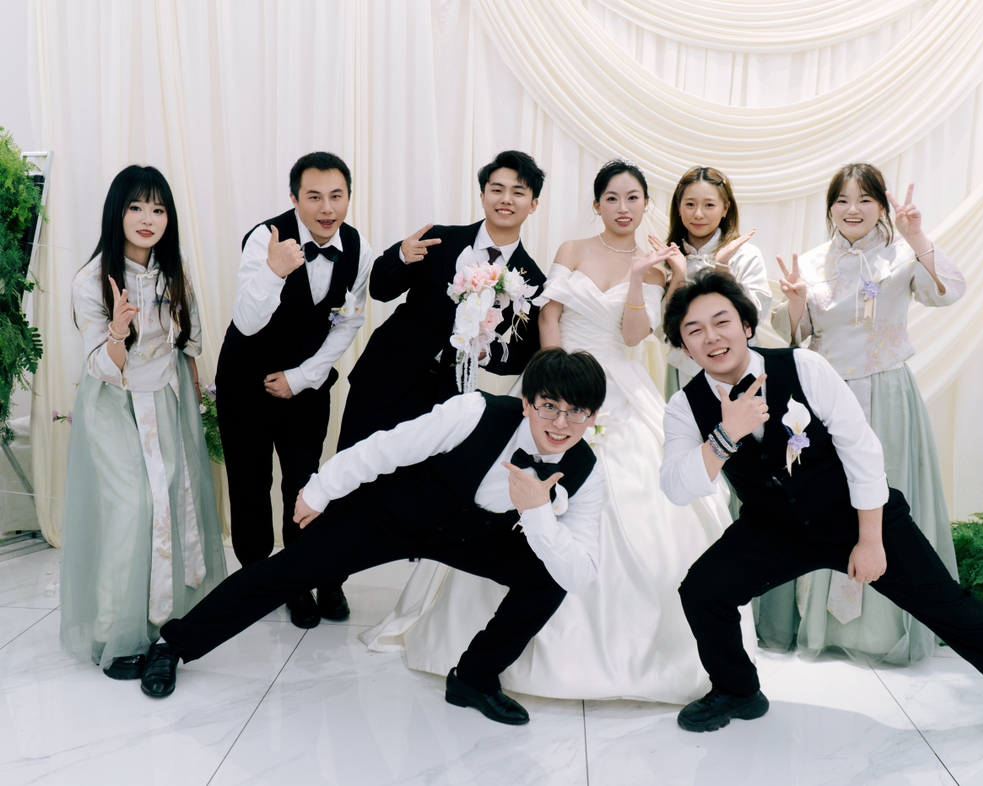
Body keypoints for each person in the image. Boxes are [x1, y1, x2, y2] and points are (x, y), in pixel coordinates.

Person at [363, 160, 755, 704]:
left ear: (646, 205)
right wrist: (553, 383)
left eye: (633, 198)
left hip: (616, 385)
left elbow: (634, 335)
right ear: (597, 204)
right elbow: (548, 316)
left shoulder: (658, 265)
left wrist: (641, 277)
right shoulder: (572, 249)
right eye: (612, 198)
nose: (623, 207)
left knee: (634, 498)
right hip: (555, 380)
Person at [657, 271, 983, 755]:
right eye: (695, 330)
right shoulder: (685, 406)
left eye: (722, 322)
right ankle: (738, 691)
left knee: (951, 610)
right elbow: (676, 488)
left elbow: (861, 450)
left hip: (856, 515)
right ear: (684, 346)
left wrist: (870, 539)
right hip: (774, 526)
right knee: (702, 591)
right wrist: (725, 435)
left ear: (747, 326)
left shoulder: (803, 366)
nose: (712, 337)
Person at [138, 349, 607, 726]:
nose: (560, 424)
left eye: (576, 412)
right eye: (549, 406)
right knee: (286, 572)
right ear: (527, 402)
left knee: (548, 579)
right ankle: (173, 646)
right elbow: (387, 447)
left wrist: (539, 514)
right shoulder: (475, 411)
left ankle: (474, 678)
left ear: (593, 417)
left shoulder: (588, 471)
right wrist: (320, 489)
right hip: (391, 515)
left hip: (471, 537)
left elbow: (580, 573)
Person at [763, 163, 965, 663]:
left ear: (881, 206)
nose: (852, 209)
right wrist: (795, 304)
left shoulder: (902, 254)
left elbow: (951, 290)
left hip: (886, 393)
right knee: (824, 501)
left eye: (864, 199)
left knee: (884, 501)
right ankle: (820, 624)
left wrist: (917, 236)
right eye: (842, 200)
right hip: (823, 397)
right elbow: (795, 337)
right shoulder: (811, 262)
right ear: (830, 207)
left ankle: (880, 630)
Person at [60, 165, 227, 679]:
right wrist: (117, 329)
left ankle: (165, 624)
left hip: (168, 399)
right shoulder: (90, 280)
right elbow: (100, 366)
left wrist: (193, 403)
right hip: (113, 404)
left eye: (158, 208)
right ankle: (114, 629)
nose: (147, 218)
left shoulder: (175, 270)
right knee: (131, 507)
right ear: (117, 213)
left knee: (173, 501)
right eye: (135, 207)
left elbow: (188, 344)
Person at [215, 152, 372, 629]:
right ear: (294, 198)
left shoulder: (358, 249)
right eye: (314, 197)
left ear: (348, 198)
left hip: (306, 384)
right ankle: (261, 580)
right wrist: (274, 270)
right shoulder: (265, 238)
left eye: (336, 196)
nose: (327, 208)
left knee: (306, 483)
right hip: (245, 382)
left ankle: (302, 576)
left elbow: (349, 323)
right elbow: (246, 320)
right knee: (249, 483)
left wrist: (301, 377)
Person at [336, 150, 546, 449]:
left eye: (518, 192)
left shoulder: (531, 280)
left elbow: (525, 354)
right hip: (386, 378)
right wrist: (401, 256)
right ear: (483, 196)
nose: (506, 199)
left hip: (447, 400)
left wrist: (485, 353)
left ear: (534, 204)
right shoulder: (439, 239)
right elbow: (380, 290)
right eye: (497, 189)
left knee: (417, 478)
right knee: (352, 470)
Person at [655, 165, 771, 395]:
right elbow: (663, 331)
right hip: (685, 371)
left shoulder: (746, 255)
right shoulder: (665, 259)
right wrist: (678, 275)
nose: (698, 214)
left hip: (739, 370)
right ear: (678, 207)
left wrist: (723, 267)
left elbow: (752, 318)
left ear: (725, 208)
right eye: (690, 204)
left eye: (709, 205)